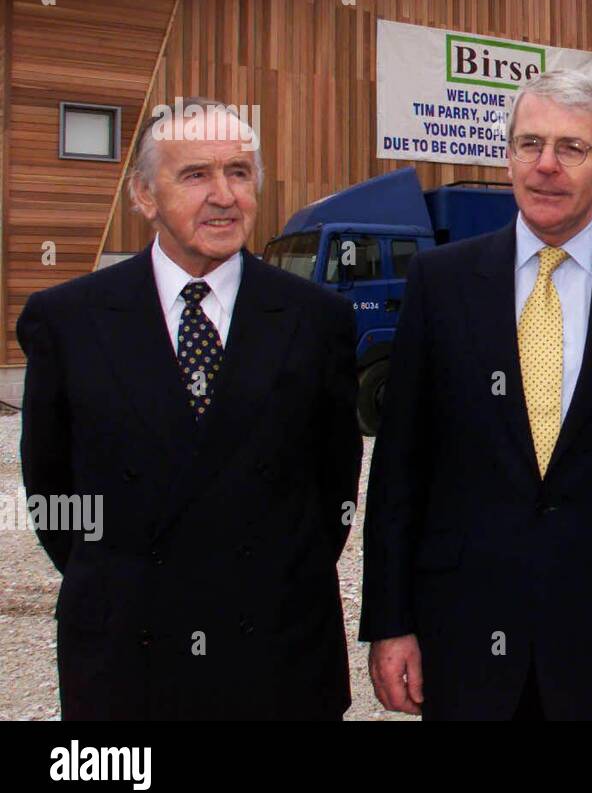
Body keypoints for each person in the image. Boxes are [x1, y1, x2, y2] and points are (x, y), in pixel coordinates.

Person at [361, 70, 592, 720]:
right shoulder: (440, 282)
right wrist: (390, 621)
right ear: (508, 156)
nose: (547, 165)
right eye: (530, 144)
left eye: (572, 148)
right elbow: (400, 466)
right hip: (461, 636)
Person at [19, 97, 361, 720]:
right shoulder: (68, 321)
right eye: (195, 175)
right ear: (145, 196)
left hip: (277, 659)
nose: (224, 195)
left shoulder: (318, 322)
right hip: (128, 660)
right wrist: (128, 582)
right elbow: (53, 494)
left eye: (239, 172)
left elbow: (333, 487)